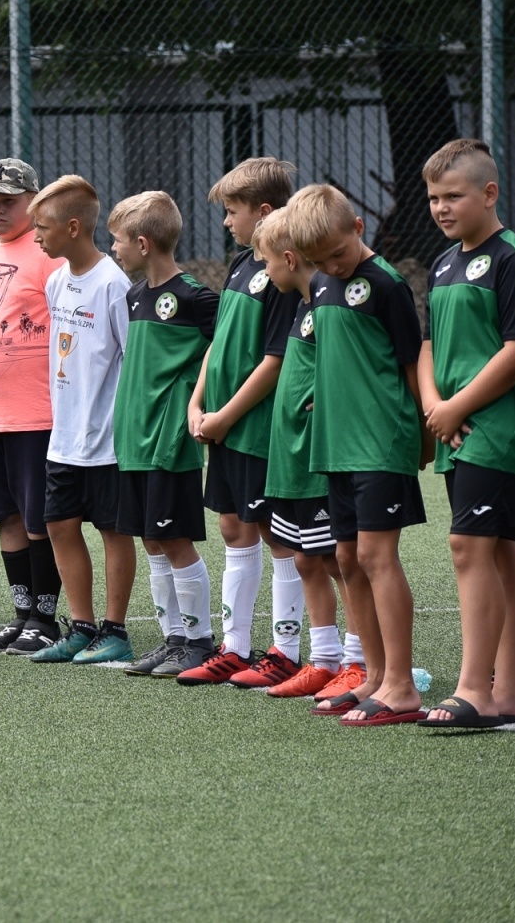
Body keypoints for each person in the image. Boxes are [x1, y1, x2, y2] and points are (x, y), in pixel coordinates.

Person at [414, 139, 515, 728]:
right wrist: (435, 405)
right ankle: (512, 692)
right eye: (434, 198)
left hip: (500, 429)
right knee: (499, 556)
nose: (442, 208)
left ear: (489, 194)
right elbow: (428, 347)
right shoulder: (442, 262)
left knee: (470, 549)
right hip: (457, 428)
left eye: (454, 196)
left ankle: (476, 690)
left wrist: (457, 405)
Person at [291, 184, 430, 726]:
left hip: (379, 442)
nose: (331, 266)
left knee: (375, 557)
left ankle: (401, 683)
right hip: (336, 444)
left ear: (358, 229)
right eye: (319, 260)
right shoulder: (323, 284)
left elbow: (408, 363)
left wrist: (420, 437)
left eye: (338, 253)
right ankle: (372, 675)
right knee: (345, 560)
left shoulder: (386, 284)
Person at [183, 157, 304, 688]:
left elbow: (275, 360)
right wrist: (198, 402)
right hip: (222, 423)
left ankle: (287, 649)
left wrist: (228, 416)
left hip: (253, 429)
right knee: (233, 528)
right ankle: (234, 647)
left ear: (265, 211)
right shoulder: (240, 264)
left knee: (280, 538)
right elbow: (219, 343)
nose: (226, 222)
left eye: (233, 212)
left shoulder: (282, 274)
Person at [105, 192, 221, 677]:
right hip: (134, 438)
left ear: (143, 243)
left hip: (169, 439)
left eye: (117, 241)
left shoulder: (196, 298)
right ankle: (173, 637)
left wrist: (193, 404)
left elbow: (226, 348)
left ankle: (199, 639)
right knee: (152, 540)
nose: (113, 249)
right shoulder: (134, 296)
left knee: (174, 541)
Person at [28, 176, 136, 664]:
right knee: (60, 526)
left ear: (73, 227)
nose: (36, 236)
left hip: (107, 439)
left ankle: (115, 629)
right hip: (64, 437)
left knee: (114, 531)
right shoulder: (54, 281)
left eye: (43, 227)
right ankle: (83, 625)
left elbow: (130, 359)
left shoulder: (114, 284)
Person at [251, 207, 357, 699]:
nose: (265, 271)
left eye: (266, 262)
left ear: (289, 258)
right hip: (289, 457)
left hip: (317, 456)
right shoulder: (303, 303)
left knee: (339, 561)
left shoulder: (331, 301)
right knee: (304, 559)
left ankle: (359, 661)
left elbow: (346, 363)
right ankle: (326, 659)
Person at [0, 158, 68, 655]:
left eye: (8, 200)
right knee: (5, 514)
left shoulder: (49, 254)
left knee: (37, 519)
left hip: (36, 411)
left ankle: (46, 618)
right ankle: (22, 611)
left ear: (33, 201)